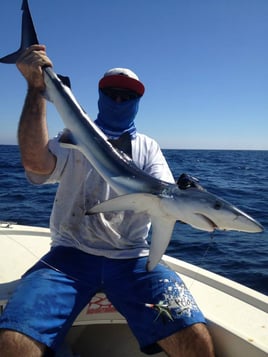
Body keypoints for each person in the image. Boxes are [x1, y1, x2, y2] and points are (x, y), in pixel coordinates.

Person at [0, 44, 215, 357]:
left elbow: (166, 197)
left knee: (195, 339)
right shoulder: (74, 136)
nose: (119, 100)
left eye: (127, 96)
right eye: (112, 93)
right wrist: (36, 88)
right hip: (68, 258)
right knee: (13, 344)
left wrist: (192, 202)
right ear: (99, 95)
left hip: (133, 260)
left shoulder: (148, 148)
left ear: (138, 101)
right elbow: (35, 163)